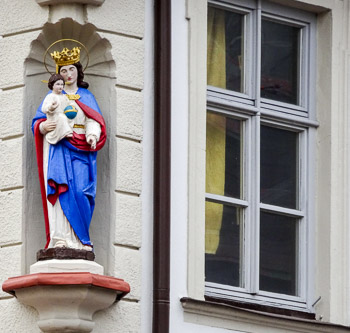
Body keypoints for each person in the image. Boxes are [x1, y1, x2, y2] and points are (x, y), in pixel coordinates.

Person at [32, 46, 107, 250]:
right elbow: (38, 120)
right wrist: (42, 126)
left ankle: (81, 239)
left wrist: (92, 135)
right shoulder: (53, 96)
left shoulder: (86, 96)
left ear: (78, 71)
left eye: (71, 69)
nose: (68, 74)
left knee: (82, 192)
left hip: (81, 149)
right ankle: (61, 239)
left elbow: (94, 120)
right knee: (60, 188)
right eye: (63, 71)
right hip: (59, 149)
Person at [41, 74, 73, 144]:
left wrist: (72, 108)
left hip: (63, 116)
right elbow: (43, 109)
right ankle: (66, 132)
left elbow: (69, 105)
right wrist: (51, 107)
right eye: (58, 84)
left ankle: (65, 131)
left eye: (62, 84)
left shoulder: (65, 97)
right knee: (62, 117)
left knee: (65, 118)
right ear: (52, 85)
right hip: (54, 117)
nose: (60, 86)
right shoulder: (50, 96)